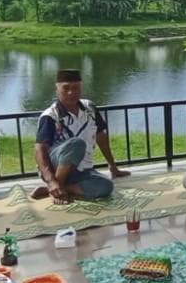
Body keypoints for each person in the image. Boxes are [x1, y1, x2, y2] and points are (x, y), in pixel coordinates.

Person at [32, 69, 129, 204]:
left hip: (82, 170)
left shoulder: (90, 108)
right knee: (77, 144)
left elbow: (101, 136)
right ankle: (56, 188)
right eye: (65, 88)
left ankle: (57, 189)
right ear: (57, 89)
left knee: (106, 186)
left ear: (81, 88)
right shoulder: (50, 116)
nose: (71, 92)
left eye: (75, 88)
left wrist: (113, 167)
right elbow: (39, 151)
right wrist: (51, 180)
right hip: (56, 168)